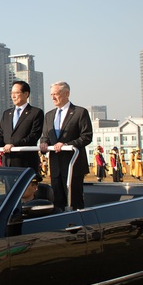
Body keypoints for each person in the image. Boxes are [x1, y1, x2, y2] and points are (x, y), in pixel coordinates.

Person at [39, 81, 93, 210]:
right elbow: (45, 135)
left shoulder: (80, 112)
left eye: (56, 94)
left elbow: (86, 136)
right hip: (56, 166)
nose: (53, 98)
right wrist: (43, 143)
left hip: (73, 166)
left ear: (66, 93)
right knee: (58, 201)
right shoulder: (49, 115)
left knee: (74, 201)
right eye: (51, 94)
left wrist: (66, 144)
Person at [0, 80, 44, 176]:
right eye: (12, 93)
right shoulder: (7, 114)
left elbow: (34, 136)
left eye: (16, 93)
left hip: (26, 162)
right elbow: (1, 134)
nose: (13, 96)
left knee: (25, 190)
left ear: (26, 94)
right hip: (8, 162)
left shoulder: (36, 113)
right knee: (10, 191)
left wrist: (14, 144)